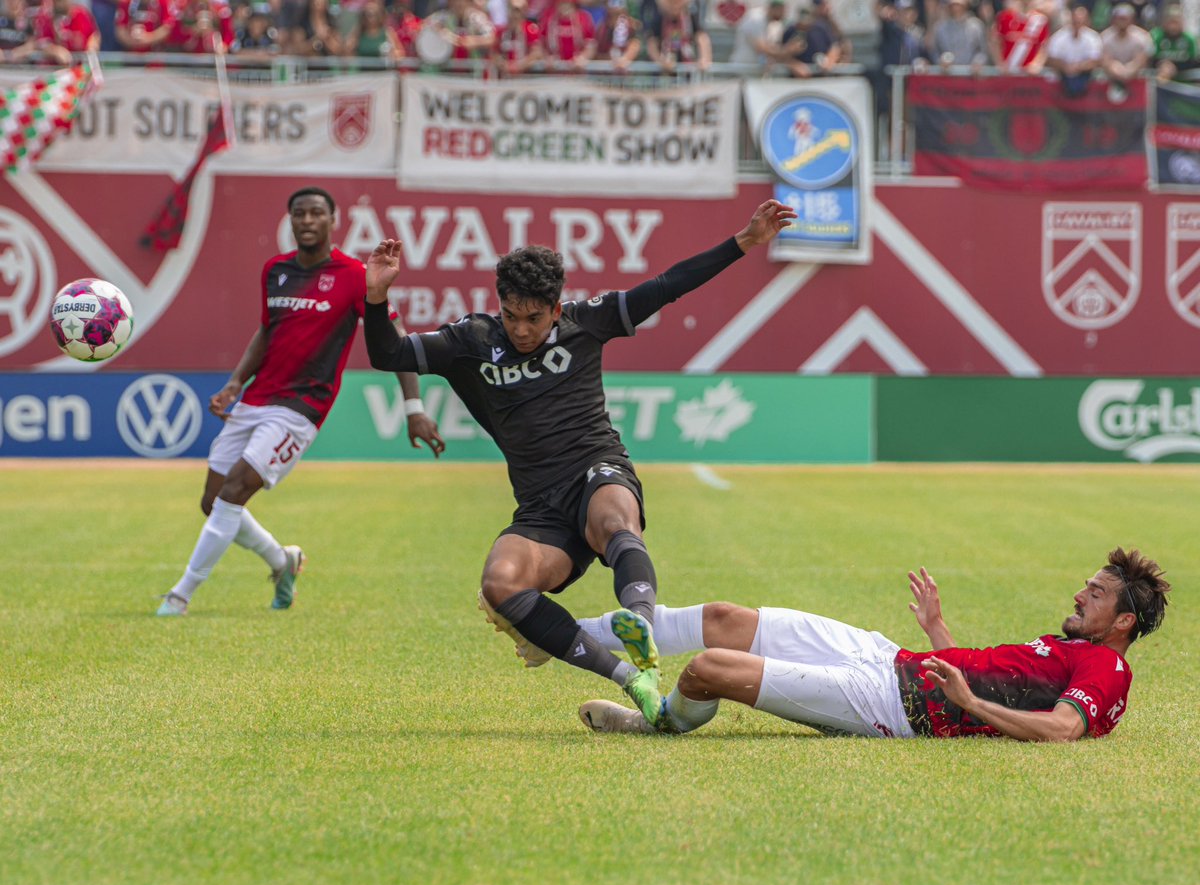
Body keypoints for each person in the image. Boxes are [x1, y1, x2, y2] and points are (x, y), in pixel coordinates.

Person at [362, 200, 796, 725]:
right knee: (500, 585)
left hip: (597, 468)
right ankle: (630, 678)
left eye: (534, 318)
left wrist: (742, 242)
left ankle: (639, 624)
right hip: (540, 507)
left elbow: (667, 285)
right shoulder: (470, 341)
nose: (521, 330)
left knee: (614, 520)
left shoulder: (587, 321)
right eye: (511, 316)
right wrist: (376, 297)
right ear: (499, 305)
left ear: (557, 307)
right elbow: (388, 355)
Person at [157, 188, 444, 617]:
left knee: (234, 492)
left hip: (302, 407)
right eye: (299, 214)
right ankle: (282, 560)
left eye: (316, 213)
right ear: (290, 220)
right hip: (257, 397)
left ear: (333, 220)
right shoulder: (276, 271)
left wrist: (413, 407)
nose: (307, 220)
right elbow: (267, 331)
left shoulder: (353, 275)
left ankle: (180, 595)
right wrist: (236, 382)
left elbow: (393, 339)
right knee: (212, 500)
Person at [578, 548, 1170, 741]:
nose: (1078, 595)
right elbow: (982, 677)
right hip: (888, 658)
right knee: (728, 618)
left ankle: (656, 720)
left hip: (891, 706)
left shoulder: (1107, 669)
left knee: (706, 670)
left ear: (1122, 623)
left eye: (1094, 595)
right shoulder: (1074, 647)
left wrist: (969, 704)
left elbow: (1064, 729)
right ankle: (568, 634)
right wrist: (938, 633)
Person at [1046, 3, 1102, 94]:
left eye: (1081, 21)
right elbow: (1051, 58)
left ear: (1087, 21)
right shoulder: (1059, 36)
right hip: (1062, 73)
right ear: (1071, 19)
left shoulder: (1093, 37)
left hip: (1085, 74)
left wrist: (1078, 67)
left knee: (1099, 76)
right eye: (1075, 20)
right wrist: (1065, 66)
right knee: (1050, 75)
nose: (1078, 23)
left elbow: (1095, 60)